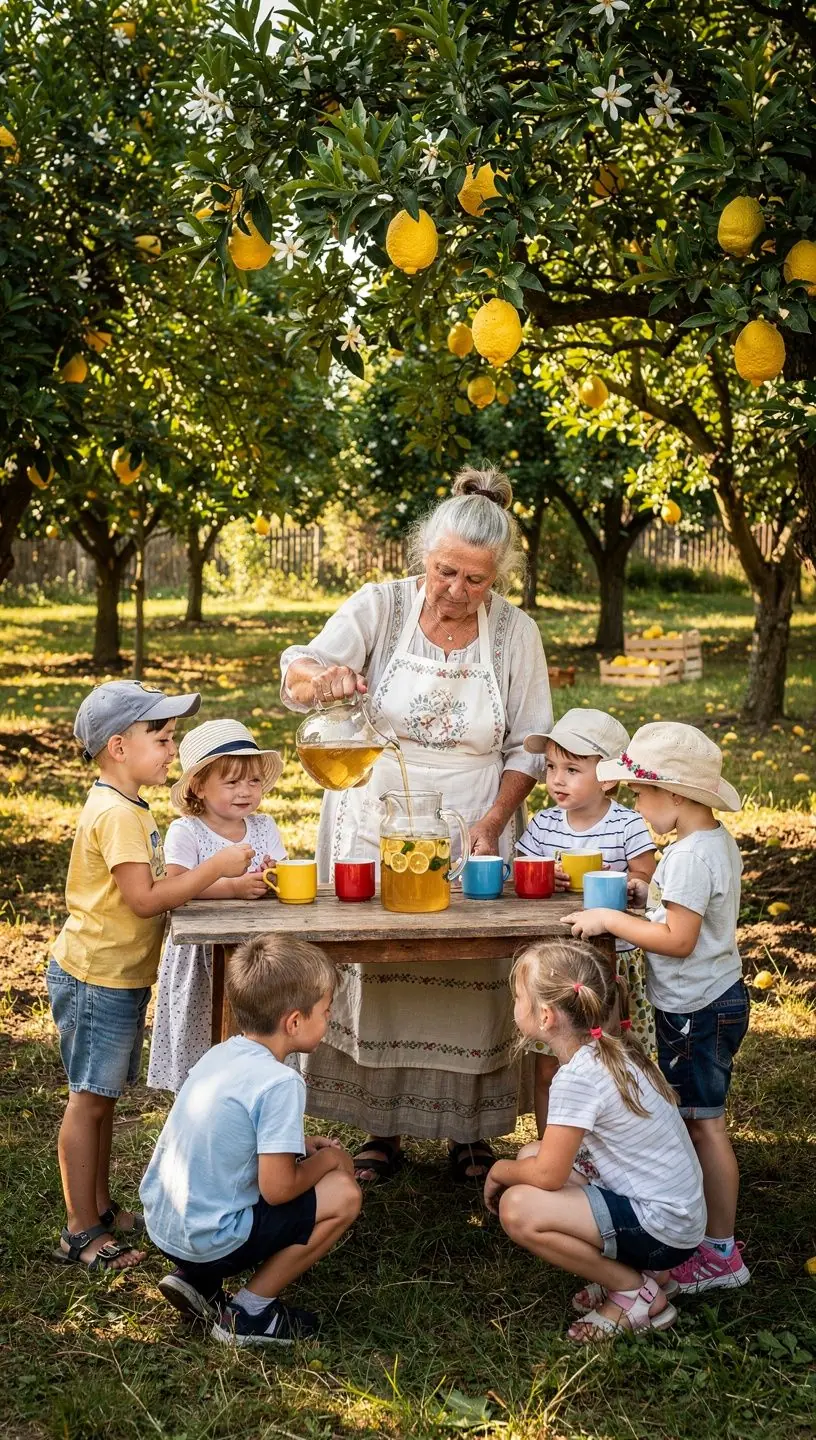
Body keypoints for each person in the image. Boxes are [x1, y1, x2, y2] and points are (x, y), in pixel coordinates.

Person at [280, 466, 551, 1184]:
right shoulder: (381, 607)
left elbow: (530, 742)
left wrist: (495, 821)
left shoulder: (517, 633)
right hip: (376, 819)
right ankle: (381, 1129)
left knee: (470, 971)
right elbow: (297, 672)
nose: (456, 590)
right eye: (444, 571)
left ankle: (471, 1132)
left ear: (498, 577)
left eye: (475, 580)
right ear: (423, 556)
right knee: (382, 969)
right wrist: (321, 680)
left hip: (473, 824)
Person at [48, 682, 254, 1272]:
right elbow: (144, 900)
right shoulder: (117, 814)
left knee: (104, 1097)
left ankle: (100, 1207)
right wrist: (215, 869)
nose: (171, 750)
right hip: (97, 976)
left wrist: (223, 884)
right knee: (88, 1101)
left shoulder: (128, 805)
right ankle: (80, 1231)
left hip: (117, 974)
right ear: (119, 747)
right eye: (161, 739)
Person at [563, 722, 751, 1295]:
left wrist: (612, 920)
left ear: (673, 794)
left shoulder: (690, 856)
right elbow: (686, 914)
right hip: (708, 998)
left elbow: (679, 939)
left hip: (698, 1008)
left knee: (704, 1125)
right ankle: (706, 1238)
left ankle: (719, 1251)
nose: (639, 807)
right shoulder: (710, 843)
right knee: (697, 1118)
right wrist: (649, 900)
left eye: (641, 794)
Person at [140, 936, 362, 1347]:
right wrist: (330, 1161)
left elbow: (231, 1136)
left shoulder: (221, 1054)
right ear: (294, 1022)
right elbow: (278, 1189)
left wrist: (301, 1144)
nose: (329, 1018)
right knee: (345, 1195)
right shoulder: (281, 1082)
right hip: (210, 1240)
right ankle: (249, 1313)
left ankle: (197, 1281)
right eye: (326, 1011)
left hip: (167, 1227)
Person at [485, 938, 705, 1344]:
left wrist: (499, 1170)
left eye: (517, 997)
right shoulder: (613, 1051)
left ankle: (634, 1292)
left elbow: (549, 1176)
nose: (514, 1004)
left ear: (546, 1016)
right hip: (676, 1219)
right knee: (532, 1153)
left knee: (518, 1207)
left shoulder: (577, 1078)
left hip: (662, 1230)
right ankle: (652, 1274)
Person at [518, 709, 657, 1134]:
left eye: (572, 770)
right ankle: (551, 1147)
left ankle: (616, 1139)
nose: (556, 780)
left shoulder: (627, 824)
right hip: (559, 967)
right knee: (550, 1065)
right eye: (551, 767)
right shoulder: (544, 825)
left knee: (614, 1057)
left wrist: (631, 884)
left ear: (608, 778)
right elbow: (522, 871)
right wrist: (546, 876)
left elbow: (647, 876)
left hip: (611, 962)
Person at [147, 719, 286, 1093]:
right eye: (232, 782)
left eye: (253, 781)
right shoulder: (187, 831)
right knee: (206, 1029)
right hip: (202, 957)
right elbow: (178, 885)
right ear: (199, 786)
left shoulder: (264, 826)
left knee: (254, 1028)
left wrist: (272, 872)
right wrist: (233, 887)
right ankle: (201, 1099)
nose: (245, 791)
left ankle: (251, 1092)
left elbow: (280, 870)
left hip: (256, 955)